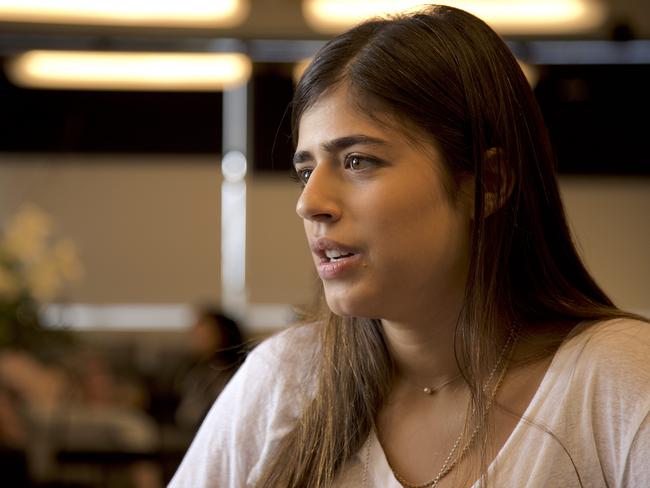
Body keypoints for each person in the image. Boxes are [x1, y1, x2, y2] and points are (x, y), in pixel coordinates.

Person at [169, 5, 650, 487]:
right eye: (305, 172)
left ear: (489, 183)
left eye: (358, 161)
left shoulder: (621, 382)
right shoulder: (284, 381)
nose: (310, 203)